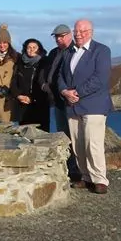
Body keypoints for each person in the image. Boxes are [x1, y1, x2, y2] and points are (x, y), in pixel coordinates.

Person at [57, 19, 114, 194]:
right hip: (72, 105)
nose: (79, 34)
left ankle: (99, 179)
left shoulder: (101, 51)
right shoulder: (69, 52)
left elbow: (100, 78)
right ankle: (85, 176)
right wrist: (65, 91)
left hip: (94, 105)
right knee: (78, 144)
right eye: (76, 31)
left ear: (91, 32)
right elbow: (61, 75)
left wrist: (76, 92)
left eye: (83, 31)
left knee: (93, 143)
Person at [42, 24, 81, 181]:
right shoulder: (53, 53)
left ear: (70, 35)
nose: (59, 39)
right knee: (62, 136)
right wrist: (44, 84)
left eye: (62, 36)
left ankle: (77, 171)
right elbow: (46, 72)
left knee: (74, 137)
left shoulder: (75, 51)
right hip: (57, 101)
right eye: (57, 36)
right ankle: (67, 168)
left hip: (70, 101)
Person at [10, 38, 51, 132]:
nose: (31, 49)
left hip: (40, 104)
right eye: (29, 47)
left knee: (41, 135)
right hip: (23, 104)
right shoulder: (20, 63)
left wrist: (32, 98)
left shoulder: (45, 62)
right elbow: (14, 82)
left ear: (39, 49)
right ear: (25, 49)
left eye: (34, 47)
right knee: (24, 135)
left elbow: (46, 84)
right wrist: (18, 95)